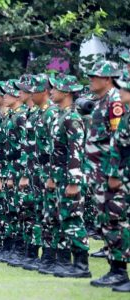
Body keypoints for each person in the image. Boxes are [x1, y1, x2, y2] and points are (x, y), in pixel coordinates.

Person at [48, 74, 91, 278]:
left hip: (69, 177)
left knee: (73, 218)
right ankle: (67, 262)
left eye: (55, 89)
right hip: (60, 176)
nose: (51, 92)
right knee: (63, 218)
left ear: (66, 92)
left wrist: (74, 181)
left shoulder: (73, 117)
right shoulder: (61, 115)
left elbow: (76, 151)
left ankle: (81, 265)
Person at [100, 75, 130, 292]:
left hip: (124, 177)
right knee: (115, 220)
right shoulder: (127, 115)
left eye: (125, 88)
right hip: (121, 177)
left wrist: (116, 174)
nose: (120, 92)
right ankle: (117, 271)